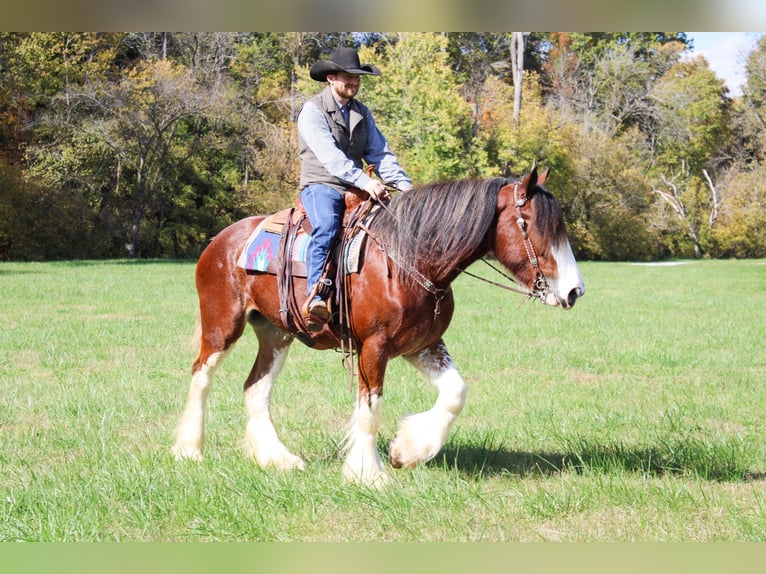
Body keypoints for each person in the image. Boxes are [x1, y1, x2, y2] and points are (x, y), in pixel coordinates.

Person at [297, 47, 413, 330]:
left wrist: (407, 188)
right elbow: (331, 159)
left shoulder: (362, 112)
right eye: (348, 77)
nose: (354, 83)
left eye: (358, 78)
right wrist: (365, 181)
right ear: (331, 78)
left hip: (357, 187)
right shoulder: (312, 111)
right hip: (322, 185)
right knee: (327, 225)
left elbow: (380, 153)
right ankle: (317, 295)